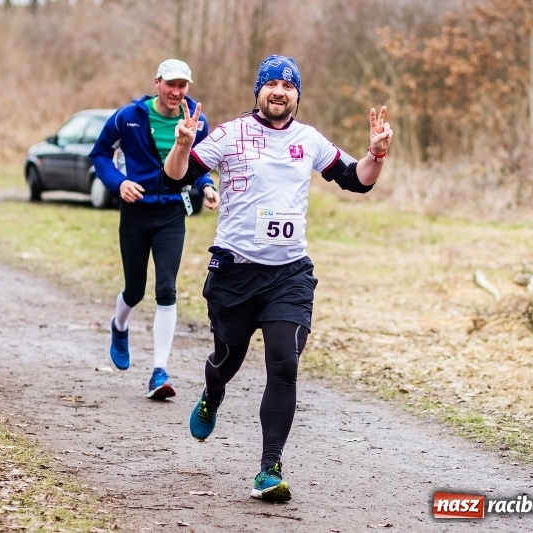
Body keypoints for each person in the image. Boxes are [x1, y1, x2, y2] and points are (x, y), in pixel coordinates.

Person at [162, 55, 393, 502]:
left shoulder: (308, 140)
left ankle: (269, 468)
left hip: (289, 275)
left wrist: (375, 155)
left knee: (284, 365)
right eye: (271, 85)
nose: (279, 92)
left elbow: (356, 180)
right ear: (259, 91)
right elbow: (176, 178)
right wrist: (182, 146)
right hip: (235, 273)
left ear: (297, 95)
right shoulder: (230, 134)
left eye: (288, 87)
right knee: (227, 359)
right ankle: (212, 392)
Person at [88, 58, 219, 399]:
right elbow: (100, 154)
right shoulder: (129, 116)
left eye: (182, 85)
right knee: (134, 290)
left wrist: (206, 185)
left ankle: (159, 372)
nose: (176, 91)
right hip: (135, 212)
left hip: (171, 213)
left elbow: (198, 163)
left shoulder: (196, 120)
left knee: (166, 289)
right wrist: (119, 183)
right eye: (170, 84)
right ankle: (119, 326)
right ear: (157, 82)